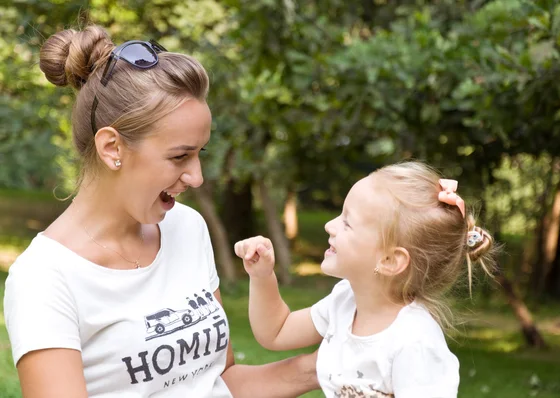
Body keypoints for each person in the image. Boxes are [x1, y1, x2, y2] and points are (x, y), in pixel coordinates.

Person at [3, 25, 318, 398]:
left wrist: (330, 363)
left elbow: (218, 380)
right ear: (111, 148)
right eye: (179, 156)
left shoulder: (187, 227)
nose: (197, 177)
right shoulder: (45, 278)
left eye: (199, 153)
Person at [234, 161, 494, 398]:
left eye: (347, 223)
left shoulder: (414, 342)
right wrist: (262, 276)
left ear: (390, 260)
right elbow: (276, 333)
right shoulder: (344, 303)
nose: (329, 226)